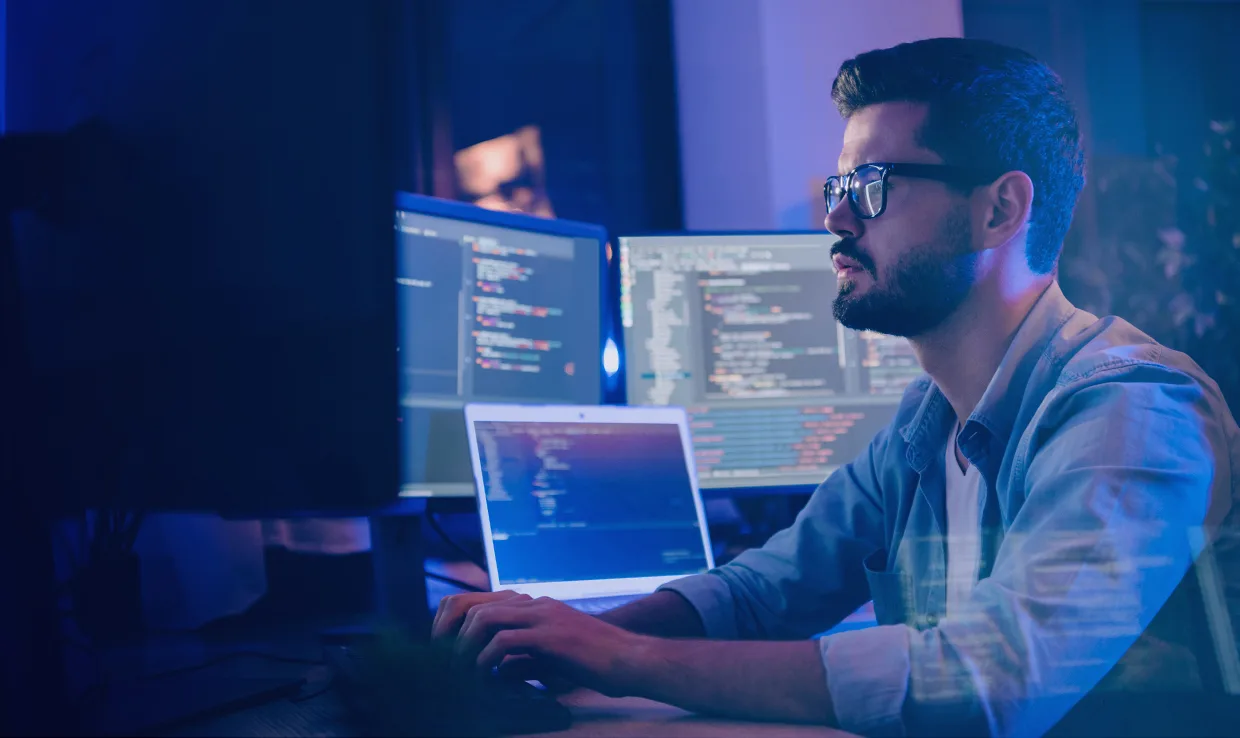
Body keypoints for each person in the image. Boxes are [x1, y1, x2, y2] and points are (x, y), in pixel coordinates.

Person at [433, 38, 1240, 736]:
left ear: (1000, 209)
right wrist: (572, 637)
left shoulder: (1131, 411)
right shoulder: (927, 425)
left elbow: (986, 685)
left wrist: (624, 658)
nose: (836, 220)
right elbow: (764, 591)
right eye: (838, 188)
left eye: (873, 186)